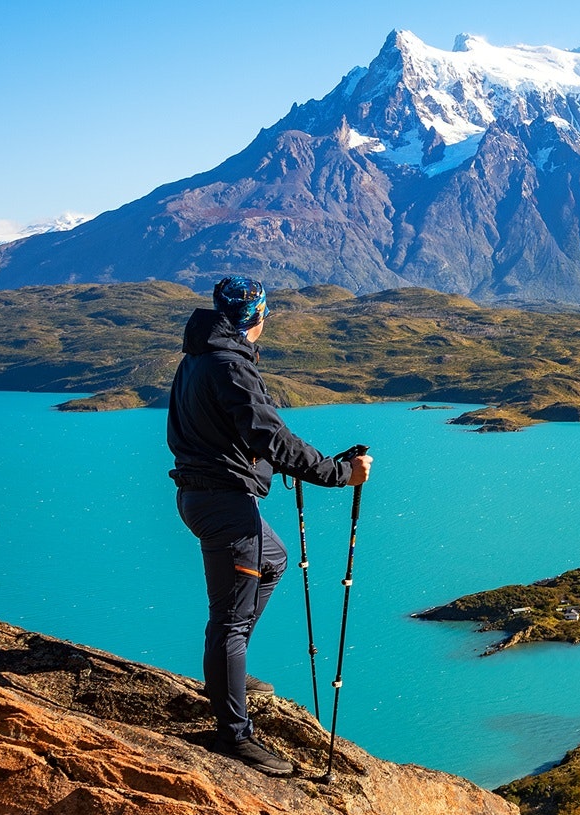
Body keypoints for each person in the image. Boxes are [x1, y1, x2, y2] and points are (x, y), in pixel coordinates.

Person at [167, 275, 372, 776]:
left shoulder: (197, 359)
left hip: (206, 496)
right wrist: (340, 474)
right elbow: (270, 437)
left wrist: (299, 463)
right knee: (230, 621)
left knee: (273, 560)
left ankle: (228, 675)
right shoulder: (230, 366)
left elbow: (238, 437)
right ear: (258, 317)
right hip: (225, 507)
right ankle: (233, 736)